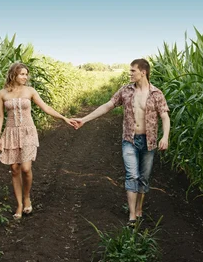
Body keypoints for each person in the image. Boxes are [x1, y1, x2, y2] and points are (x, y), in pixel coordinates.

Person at [73, 58, 170, 226]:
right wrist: (84, 119)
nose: (130, 73)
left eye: (133, 71)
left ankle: (139, 208)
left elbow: (164, 116)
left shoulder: (156, 94)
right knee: (132, 175)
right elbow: (107, 106)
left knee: (144, 178)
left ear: (143, 72)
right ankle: (132, 215)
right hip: (130, 140)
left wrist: (165, 136)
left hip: (149, 141)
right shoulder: (125, 91)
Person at [0, 62, 77, 220]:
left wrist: (64, 118)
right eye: (22, 74)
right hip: (11, 133)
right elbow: (0, 116)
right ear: (13, 75)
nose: (25, 77)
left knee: (25, 168)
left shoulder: (30, 91)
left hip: (28, 132)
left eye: (26, 74)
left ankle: (27, 197)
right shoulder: (2, 93)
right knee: (14, 168)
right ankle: (19, 205)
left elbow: (46, 108)